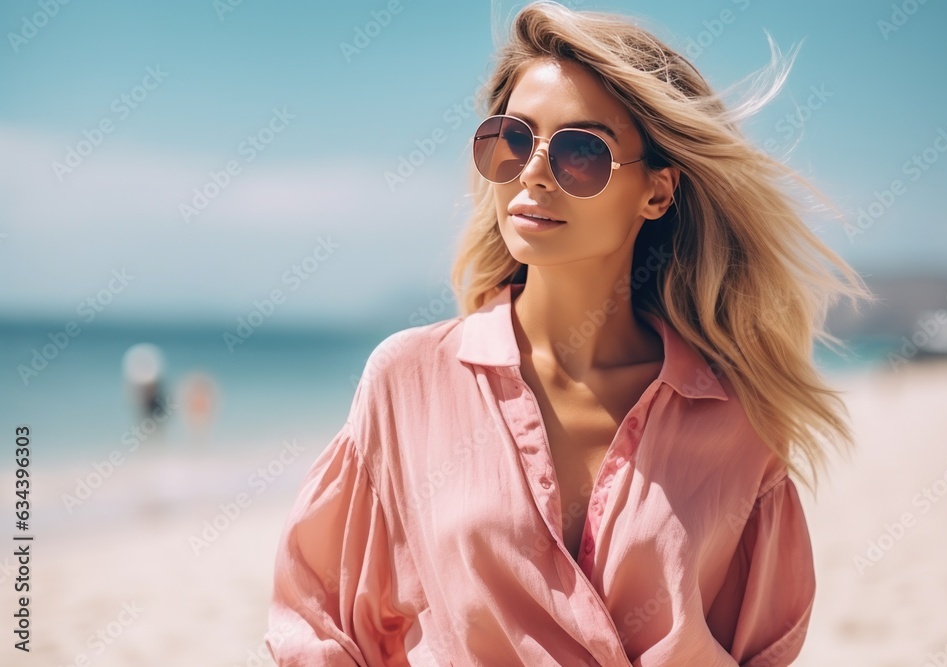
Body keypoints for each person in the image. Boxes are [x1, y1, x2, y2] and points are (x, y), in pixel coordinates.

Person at [265, 2, 873, 664]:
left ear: (657, 192)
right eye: (513, 139)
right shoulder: (407, 382)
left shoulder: (737, 422)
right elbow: (318, 613)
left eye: (582, 151)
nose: (533, 171)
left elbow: (762, 647)